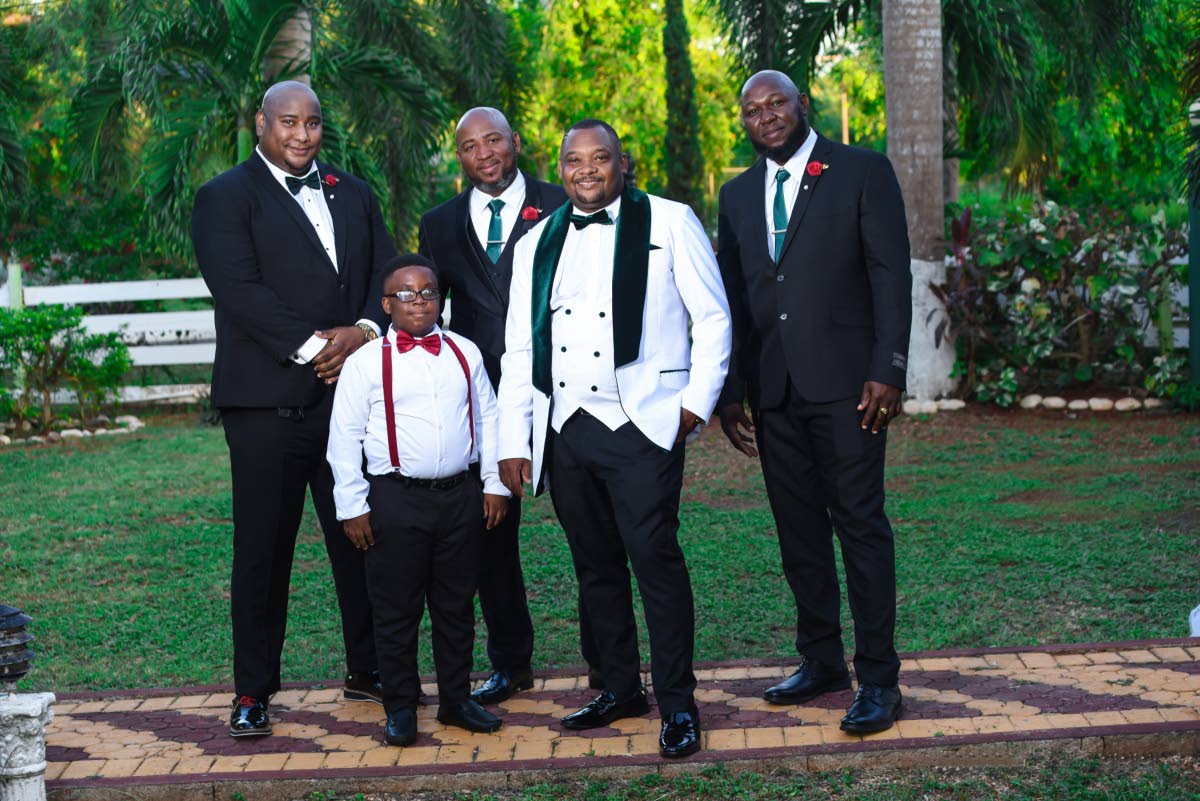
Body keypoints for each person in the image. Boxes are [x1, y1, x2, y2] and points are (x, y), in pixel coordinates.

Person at [496, 119, 731, 759]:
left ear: (622, 162)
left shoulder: (671, 221)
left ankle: (679, 705)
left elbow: (712, 317)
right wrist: (515, 436)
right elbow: (519, 345)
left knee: (654, 561)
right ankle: (618, 688)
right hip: (566, 428)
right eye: (575, 160)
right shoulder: (535, 240)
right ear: (560, 166)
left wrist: (693, 405)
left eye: (600, 158)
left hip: (645, 426)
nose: (587, 170)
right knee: (594, 567)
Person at [191, 81, 396, 738]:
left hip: (349, 402)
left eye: (311, 123)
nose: (302, 135)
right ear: (261, 123)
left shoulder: (354, 192)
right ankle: (253, 689)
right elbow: (240, 290)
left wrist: (362, 331)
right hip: (265, 407)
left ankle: (370, 667)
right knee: (262, 551)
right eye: (288, 122)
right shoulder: (223, 197)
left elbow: (383, 274)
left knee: (362, 538)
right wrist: (318, 348)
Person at [715, 70, 912, 734]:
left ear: (802, 105)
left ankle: (880, 679)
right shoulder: (737, 194)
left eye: (776, 103)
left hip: (850, 387)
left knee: (860, 525)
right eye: (751, 110)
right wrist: (733, 390)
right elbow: (737, 299)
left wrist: (889, 366)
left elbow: (890, 271)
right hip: (774, 394)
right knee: (798, 532)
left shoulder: (861, 170)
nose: (765, 116)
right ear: (743, 122)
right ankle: (822, 659)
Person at [418, 107, 595, 705]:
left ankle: (606, 663)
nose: (485, 153)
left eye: (494, 139)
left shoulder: (564, 199)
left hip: (561, 393)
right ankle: (510, 662)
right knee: (491, 539)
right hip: (483, 406)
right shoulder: (439, 224)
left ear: (515, 143)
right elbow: (432, 312)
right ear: (460, 157)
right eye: (470, 146)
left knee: (590, 534)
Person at [327, 255, 508, 746]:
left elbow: (489, 418)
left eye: (429, 291)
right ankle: (401, 707)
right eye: (406, 294)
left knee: (455, 607)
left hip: (459, 496)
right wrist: (353, 506)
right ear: (387, 304)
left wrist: (493, 483)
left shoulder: (465, 352)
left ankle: (455, 700)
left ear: (440, 298)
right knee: (396, 611)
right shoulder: (365, 363)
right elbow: (342, 438)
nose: (420, 300)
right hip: (395, 499)